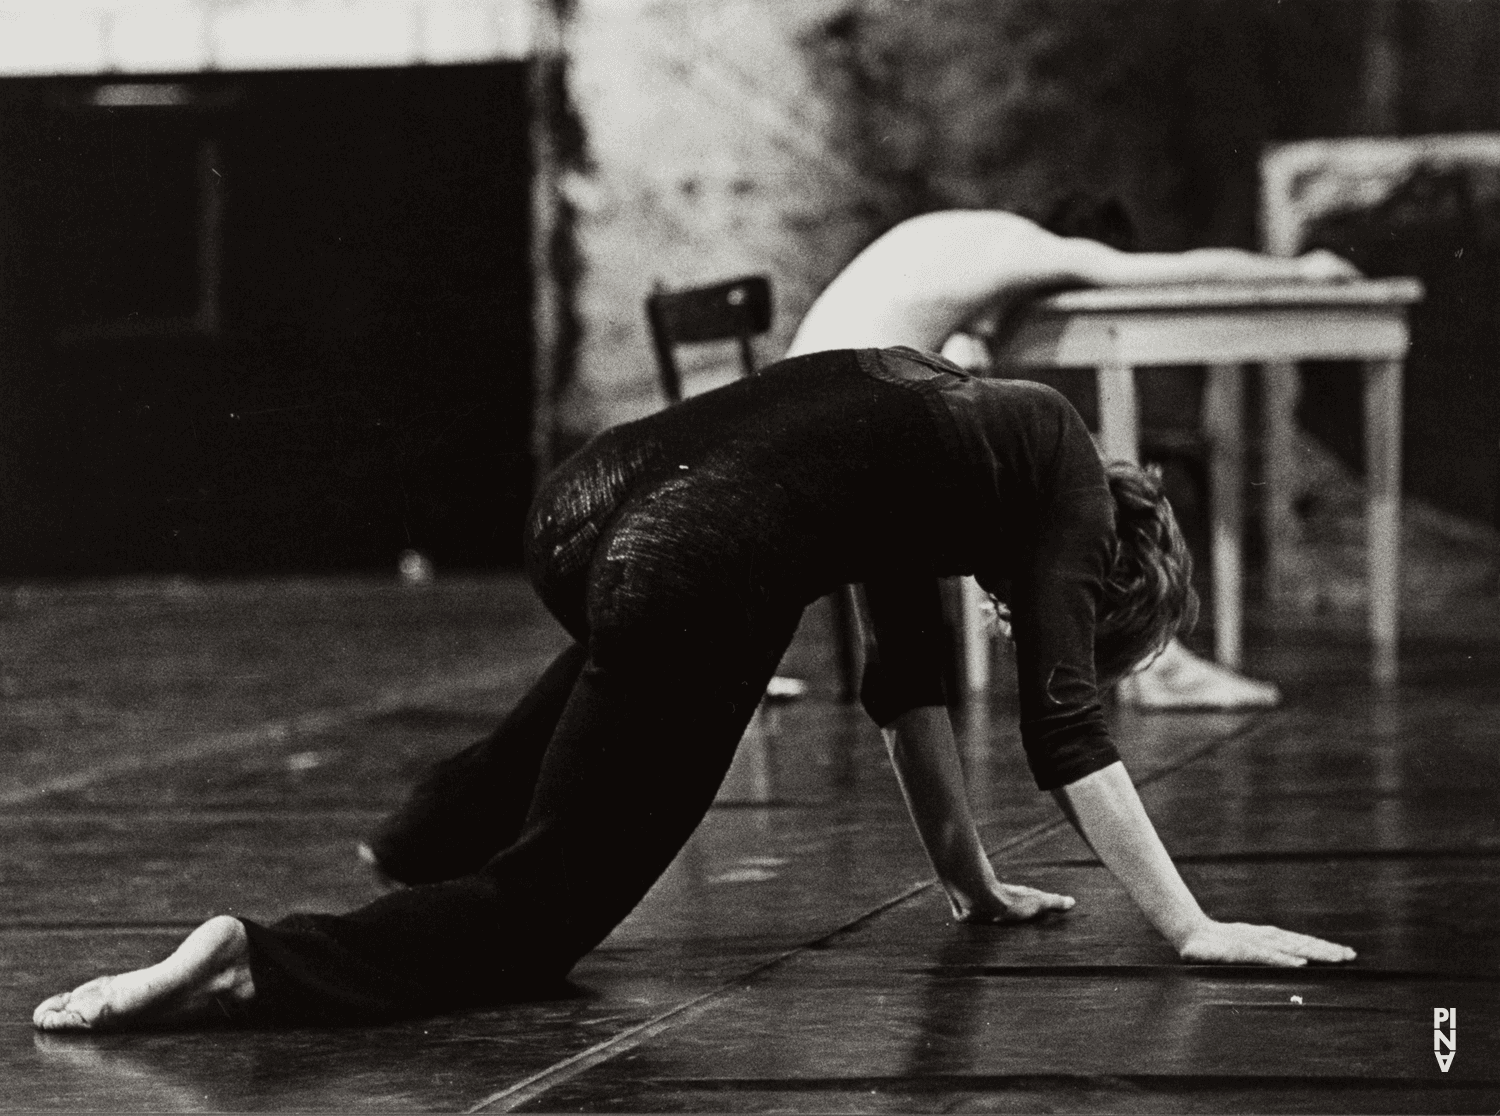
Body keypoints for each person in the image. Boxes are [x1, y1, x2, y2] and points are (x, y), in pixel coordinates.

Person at [33, 212, 1356, 1033]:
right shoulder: (1064, 467)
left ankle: (423, 831)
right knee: (543, 921)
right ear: (1110, 569)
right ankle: (256, 967)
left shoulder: (948, 438)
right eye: (1054, 610)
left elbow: (903, 691)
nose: (1024, 621)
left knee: (631, 651)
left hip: (583, 505)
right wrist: (1191, 928)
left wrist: (969, 884)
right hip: (690, 564)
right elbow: (1067, 726)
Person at [787, 207, 1363, 710]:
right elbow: (1168, 272)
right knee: (1067, 469)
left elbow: (933, 338)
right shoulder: (1029, 247)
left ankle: (1144, 664)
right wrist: (1298, 270)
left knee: (1031, 452)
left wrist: (972, 345)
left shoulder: (951, 241)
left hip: (798, 428)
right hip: (850, 434)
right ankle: (1157, 669)